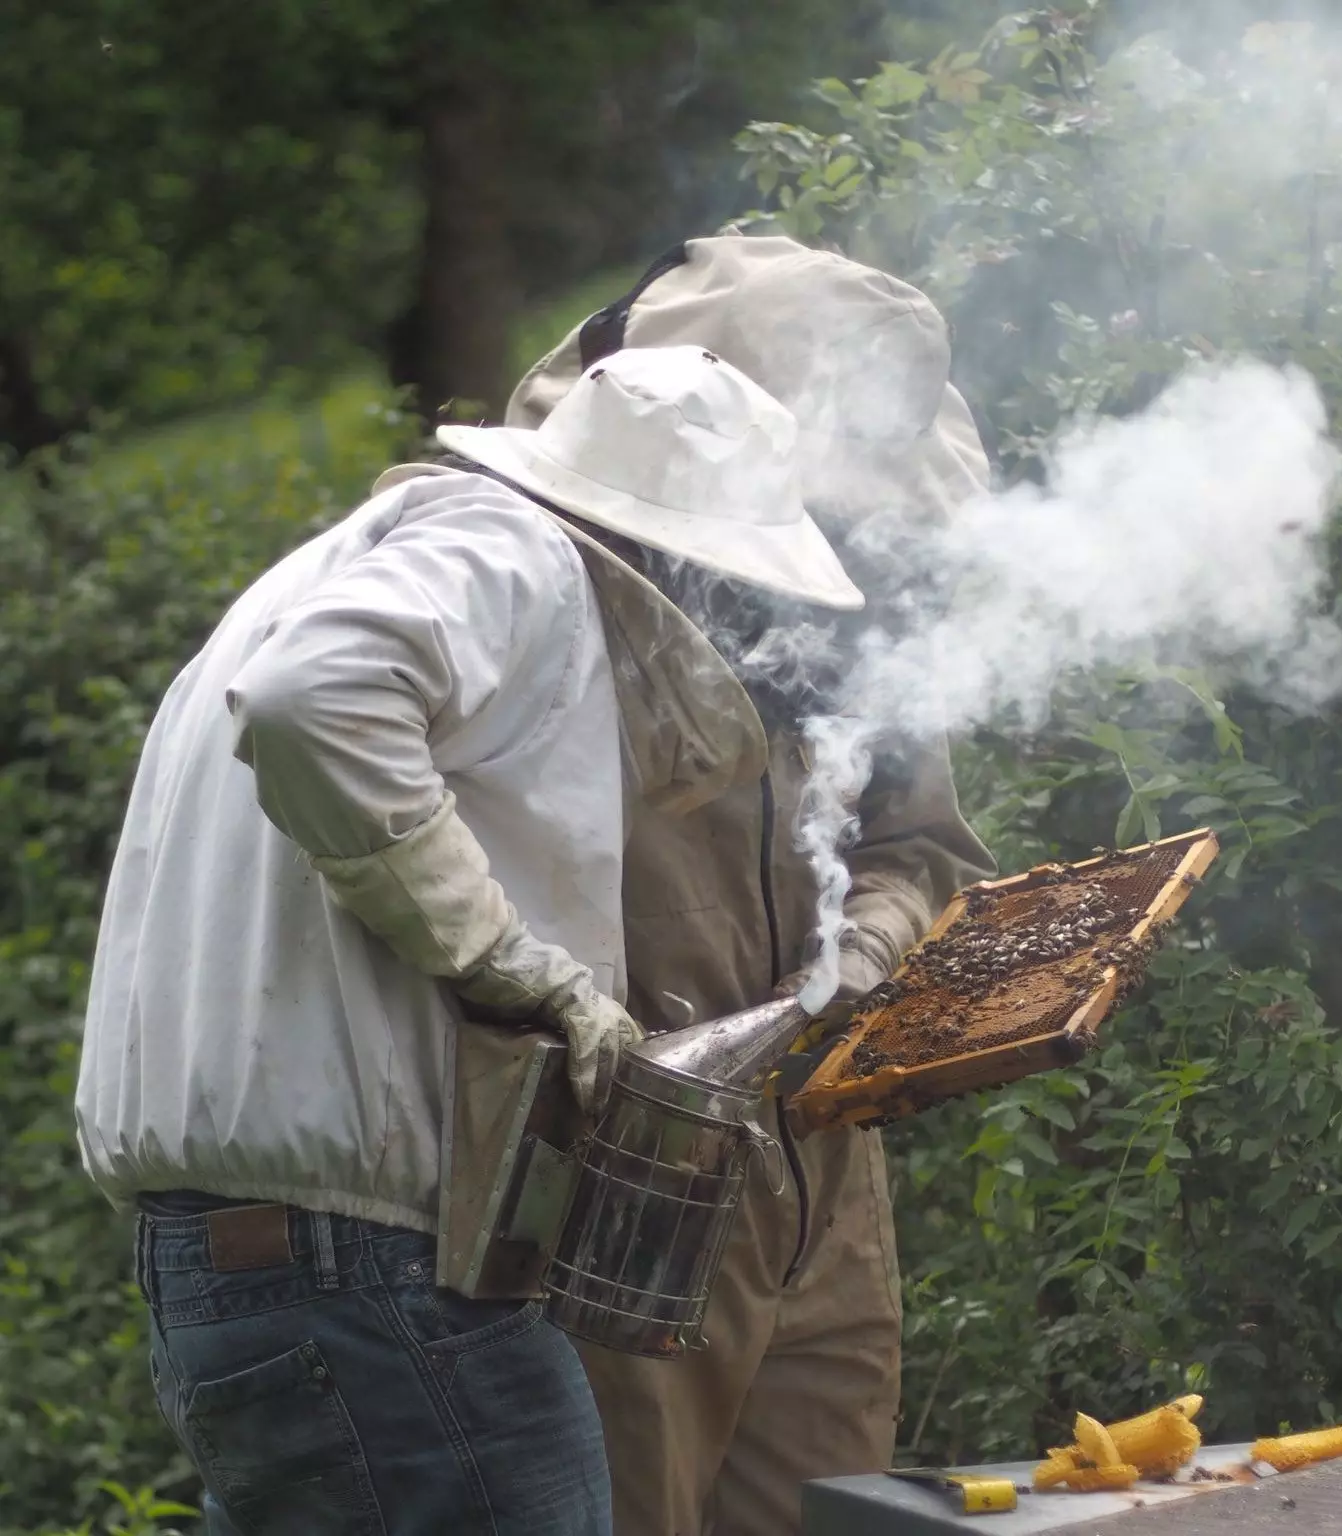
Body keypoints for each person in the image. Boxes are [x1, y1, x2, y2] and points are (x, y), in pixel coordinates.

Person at [74, 343, 864, 1536]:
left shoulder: (336, 568)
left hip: (254, 1270)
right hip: (374, 1276)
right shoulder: (513, 553)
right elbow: (315, 701)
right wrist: (515, 968)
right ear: (672, 553)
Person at [497, 231, 997, 1536]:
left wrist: (874, 950)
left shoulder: (875, 601)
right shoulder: (520, 591)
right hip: (607, 1174)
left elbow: (925, 849)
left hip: (828, 1196)